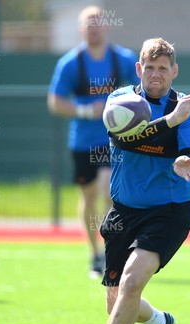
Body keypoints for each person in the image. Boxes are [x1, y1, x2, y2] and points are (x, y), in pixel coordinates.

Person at [73, 38, 190, 324]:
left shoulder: (188, 107)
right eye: (150, 67)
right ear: (139, 69)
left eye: (163, 68)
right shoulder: (120, 100)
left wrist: (182, 158)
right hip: (123, 211)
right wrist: (168, 123)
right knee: (116, 300)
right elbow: (123, 138)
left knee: (132, 282)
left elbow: (189, 150)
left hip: (169, 211)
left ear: (174, 71)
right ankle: (160, 323)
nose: (156, 74)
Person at [48, 5, 140, 278]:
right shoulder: (70, 63)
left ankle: (114, 248)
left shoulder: (122, 58)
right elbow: (55, 102)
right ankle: (94, 255)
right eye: (88, 23)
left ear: (106, 26)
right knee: (88, 196)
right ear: (80, 29)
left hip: (114, 140)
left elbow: (141, 89)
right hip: (82, 142)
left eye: (98, 22)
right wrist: (86, 110)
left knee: (108, 190)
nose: (94, 27)